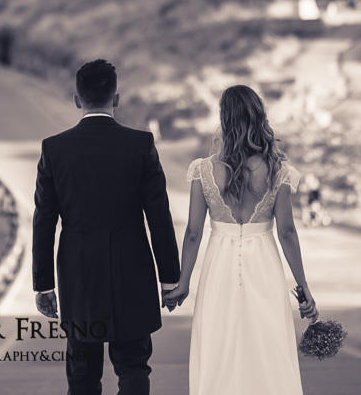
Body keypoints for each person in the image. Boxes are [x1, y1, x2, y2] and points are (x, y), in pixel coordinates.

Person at [33, 59, 181, 395]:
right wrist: (169, 279)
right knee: (134, 367)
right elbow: (159, 216)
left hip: (79, 276)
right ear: (116, 99)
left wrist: (44, 285)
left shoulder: (54, 148)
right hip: (133, 272)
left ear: (77, 100)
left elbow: (44, 220)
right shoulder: (141, 144)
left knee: (82, 374)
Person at [162, 85, 318, 395]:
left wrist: (183, 282)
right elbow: (287, 233)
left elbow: (193, 233)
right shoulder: (278, 171)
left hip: (218, 266)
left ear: (224, 118)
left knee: (218, 347)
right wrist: (304, 289)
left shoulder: (204, 170)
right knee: (268, 347)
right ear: (259, 116)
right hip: (264, 266)